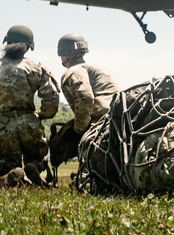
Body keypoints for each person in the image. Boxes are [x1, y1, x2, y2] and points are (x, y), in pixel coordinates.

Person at [0, 25, 60, 186]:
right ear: (28, 46)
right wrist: (41, 114)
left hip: (3, 125)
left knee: (2, 166)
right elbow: (52, 98)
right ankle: (32, 168)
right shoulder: (36, 67)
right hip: (29, 122)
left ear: (7, 43)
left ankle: (13, 177)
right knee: (38, 157)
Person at [50, 33, 121, 173]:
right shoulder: (97, 69)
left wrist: (80, 129)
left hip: (99, 120)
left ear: (65, 53)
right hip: (118, 118)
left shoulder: (72, 72)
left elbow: (85, 98)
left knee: (61, 141)